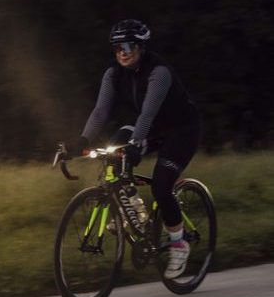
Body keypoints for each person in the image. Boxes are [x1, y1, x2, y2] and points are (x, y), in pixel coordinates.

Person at [64, 19, 201, 279]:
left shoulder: (158, 72)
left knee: (161, 185)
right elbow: (101, 111)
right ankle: (132, 208)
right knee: (114, 151)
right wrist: (82, 141)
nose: (123, 52)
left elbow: (148, 113)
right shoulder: (113, 74)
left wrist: (136, 145)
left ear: (141, 47)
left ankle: (179, 243)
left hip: (181, 130)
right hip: (148, 127)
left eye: (129, 46)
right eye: (117, 48)